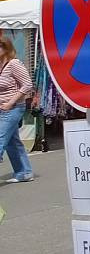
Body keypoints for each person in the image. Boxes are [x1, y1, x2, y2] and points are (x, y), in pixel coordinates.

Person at [0, 35, 35, 183]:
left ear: (5, 48)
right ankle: (24, 172)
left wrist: (10, 102)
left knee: (0, 138)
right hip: (2, 108)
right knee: (13, 142)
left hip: (13, 108)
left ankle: (23, 172)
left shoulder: (14, 64)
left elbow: (27, 84)